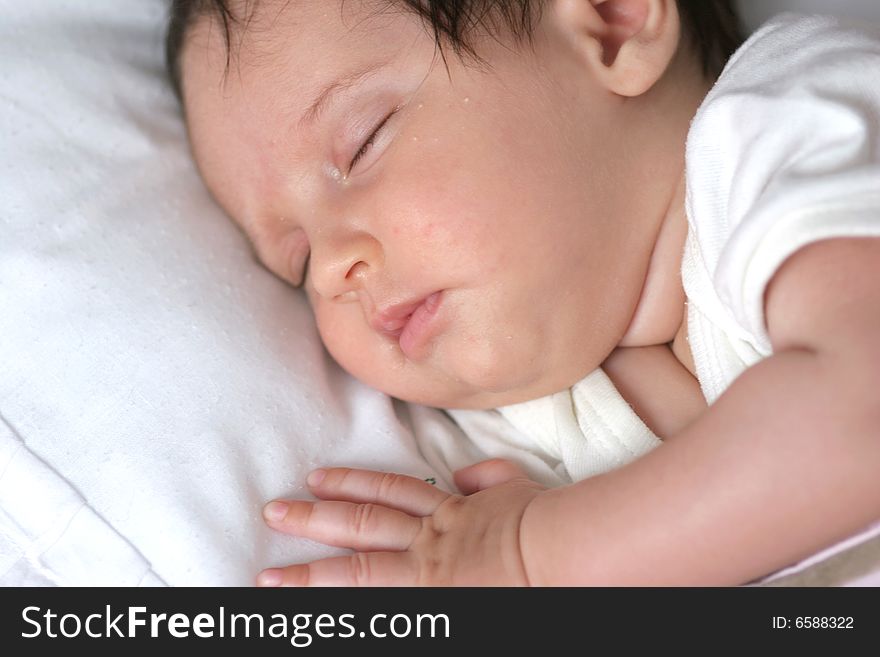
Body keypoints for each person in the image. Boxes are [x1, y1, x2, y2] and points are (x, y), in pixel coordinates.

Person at [167, 0, 880, 585]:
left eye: (364, 142)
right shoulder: (499, 448)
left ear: (611, 24)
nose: (329, 270)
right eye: (295, 262)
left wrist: (533, 556)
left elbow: (861, 407)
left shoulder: (790, 123)